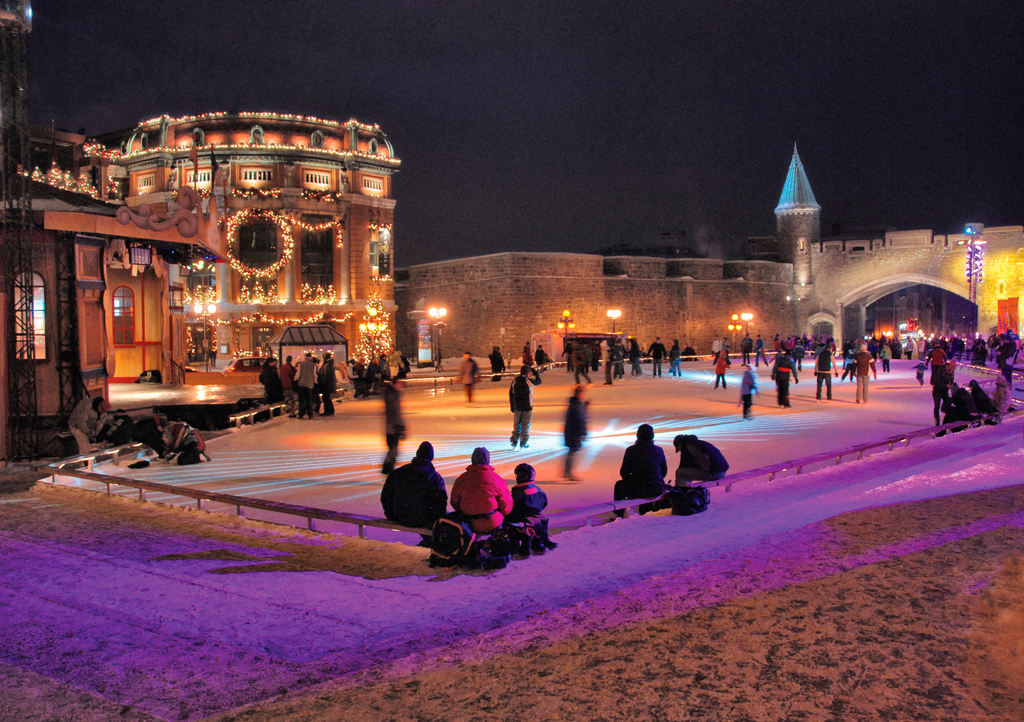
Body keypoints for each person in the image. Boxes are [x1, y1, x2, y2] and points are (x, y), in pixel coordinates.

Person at [380, 441, 448, 537]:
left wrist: (391, 514)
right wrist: (433, 520)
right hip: (423, 519)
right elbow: (440, 504)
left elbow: (386, 495)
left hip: (401, 516)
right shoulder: (435, 477)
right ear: (431, 457)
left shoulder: (399, 472)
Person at [450, 447, 513, 534]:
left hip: (468, 523)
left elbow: (454, 501)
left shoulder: (462, 479)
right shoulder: (497, 479)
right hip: (492, 523)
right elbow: (506, 506)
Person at [614, 424, 667, 514]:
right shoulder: (659, 450)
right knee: (645, 485)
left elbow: (624, 472)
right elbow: (664, 471)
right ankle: (646, 511)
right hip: (657, 488)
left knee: (619, 485)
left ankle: (619, 515)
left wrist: (632, 480)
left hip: (639, 488)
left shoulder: (631, 450)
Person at [509, 365, 539, 449]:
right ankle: (523, 441)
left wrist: (512, 405)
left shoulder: (515, 381)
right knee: (525, 424)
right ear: (527, 373)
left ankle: (514, 440)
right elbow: (539, 381)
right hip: (527, 407)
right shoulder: (528, 381)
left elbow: (511, 394)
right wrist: (535, 371)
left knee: (517, 424)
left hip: (517, 407)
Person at [381, 377, 406, 474]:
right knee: (393, 449)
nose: (401, 386)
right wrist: (397, 426)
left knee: (394, 449)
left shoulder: (395, 394)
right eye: (399, 383)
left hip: (395, 425)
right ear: (395, 384)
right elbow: (393, 412)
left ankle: (388, 468)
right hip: (392, 426)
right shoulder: (390, 395)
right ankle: (387, 468)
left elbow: (398, 413)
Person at [563, 385, 588, 481]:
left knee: (572, 451)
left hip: (571, 431)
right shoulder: (576, 405)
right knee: (572, 451)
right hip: (574, 432)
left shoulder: (575, 404)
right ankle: (568, 472)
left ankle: (567, 471)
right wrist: (582, 432)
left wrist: (584, 407)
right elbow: (580, 419)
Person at [295, 351, 318, 419]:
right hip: (310, 384)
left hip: (302, 384)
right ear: (310, 357)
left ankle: (301, 414)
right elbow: (314, 374)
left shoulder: (301, 364)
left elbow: (298, 374)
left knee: (302, 399)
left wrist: (296, 380)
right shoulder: (313, 365)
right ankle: (310, 414)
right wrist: (315, 382)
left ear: (305, 357)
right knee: (309, 399)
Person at [317, 352, 337, 416]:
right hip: (328, 384)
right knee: (327, 397)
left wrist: (323, 383)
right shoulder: (330, 364)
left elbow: (326, 375)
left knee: (326, 397)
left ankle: (328, 410)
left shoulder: (327, 365)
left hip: (326, 385)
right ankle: (330, 410)